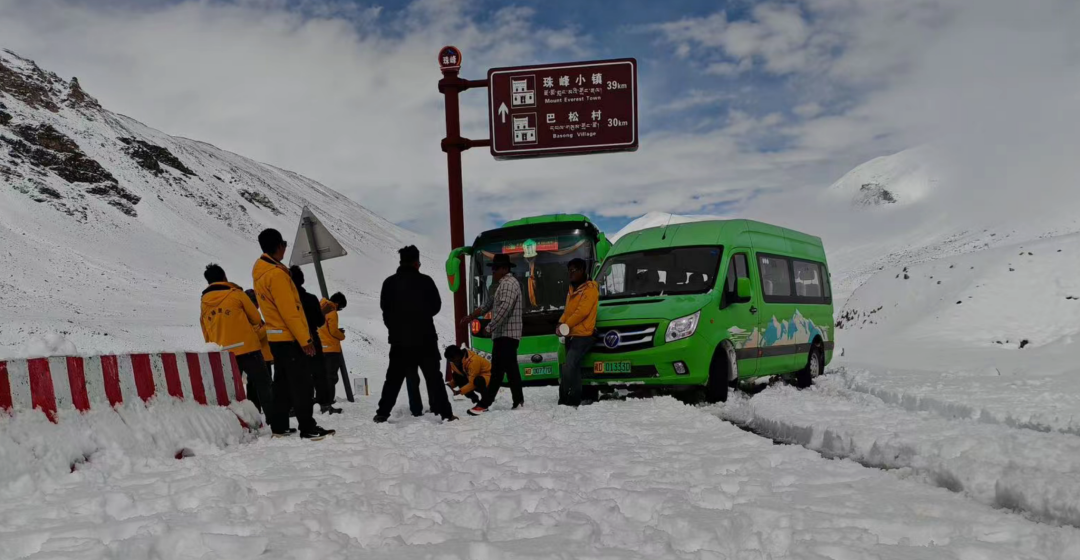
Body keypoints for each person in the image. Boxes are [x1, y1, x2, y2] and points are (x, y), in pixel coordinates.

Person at [252, 228, 333, 439]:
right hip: (290, 338)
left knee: (282, 384)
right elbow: (290, 310)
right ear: (279, 246)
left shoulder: (260, 272)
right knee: (302, 383)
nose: (285, 248)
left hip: (276, 338)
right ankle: (308, 426)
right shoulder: (276, 275)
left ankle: (279, 425)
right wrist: (305, 339)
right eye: (284, 244)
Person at [375, 245, 456, 423]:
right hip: (425, 338)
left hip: (399, 341)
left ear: (401, 261)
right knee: (434, 378)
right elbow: (436, 306)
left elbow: (385, 311)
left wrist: (395, 328)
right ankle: (446, 414)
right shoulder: (426, 281)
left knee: (393, 379)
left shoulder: (389, 283)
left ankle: (382, 413)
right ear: (417, 263)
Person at [200, 264, 275, 425]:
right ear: (224, 276)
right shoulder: (237, 294)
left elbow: (205, 329)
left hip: (224, 352)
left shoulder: (204, 302)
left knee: (232, 393)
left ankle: (239, 425)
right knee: (264, 385)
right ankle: (275, 422)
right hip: (248, 348)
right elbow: (255, 318)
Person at [461, 253, 524, 416]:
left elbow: (504, 308)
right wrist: (471, 317)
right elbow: (487, 305)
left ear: (504, 269)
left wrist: (489, 327)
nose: (493, 272)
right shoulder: (499, 285)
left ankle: (484, 403)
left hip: (506, 334)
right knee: (511, 370)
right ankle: (518, 401)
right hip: (504, 335)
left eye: (495, 268)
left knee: (497, 371)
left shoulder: (509, 284)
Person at [290, 266, 341, 416]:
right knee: (319, 374)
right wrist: (321, 313)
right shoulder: (310, 299)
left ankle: (294, 407)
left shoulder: (285, 301)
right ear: (302, 280)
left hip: (292, 342)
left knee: (296, 375)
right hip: (312, 339)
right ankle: (325, 405)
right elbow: (319, 321)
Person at [556, 258, 599, 407]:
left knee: (569, 365)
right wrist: (561, 322)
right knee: (572, 368)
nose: (571, 273)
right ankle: (574, 397)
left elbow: (582, 312)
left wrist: (565, 325)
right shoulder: (572, 289)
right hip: (571, 333)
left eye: (574, 270)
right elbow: (568, 311)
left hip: (584, 335)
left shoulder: (590, 289)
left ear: (582, 271)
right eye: (569, 270)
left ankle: (566, 399)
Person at [245, 288, 275, 413]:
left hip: (263, 355)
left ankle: (258, 409)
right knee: (262, 385)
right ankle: (263, 409)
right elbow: (256, 335)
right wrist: (267, 326)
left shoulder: (252, 316)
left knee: (256, 384)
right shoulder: (249, 317)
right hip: (260, 355)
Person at [318, 292, 350, 409]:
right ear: (337, 303)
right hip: (331, 348)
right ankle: (328, 402)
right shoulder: (332, 311)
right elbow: (333, 331)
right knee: (331, 377)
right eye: (340, 307)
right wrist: (341, 335)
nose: (339, 310)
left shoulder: (321, 307)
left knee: (323, 376)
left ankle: (323, 400)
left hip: (321, 347)